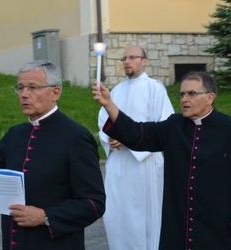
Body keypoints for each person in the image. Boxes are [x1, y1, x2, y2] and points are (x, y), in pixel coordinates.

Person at [0, 60, 106, 249]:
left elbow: (94, 203)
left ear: (55, 93)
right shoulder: (16, 135)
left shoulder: (76, 137)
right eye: (20, 88)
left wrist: (45, 216)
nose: (24, 94)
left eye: (32, 87)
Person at [92, 71, 231, 249]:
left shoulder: (227, 129)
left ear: (210, 97)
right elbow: (138, 133)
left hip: (215, 227)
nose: (184, 99)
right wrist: (108, 104)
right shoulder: (174, 126)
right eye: (182, 94)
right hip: (177, 225)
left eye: (192, 94)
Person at [98, 46, 174, 250]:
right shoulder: (116, 91)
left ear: (144, 61)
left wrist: (130, 139)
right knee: (116, 213)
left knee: (143, 216)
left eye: (132, 57)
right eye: (124, 58)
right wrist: (110, 138)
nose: (127, 61)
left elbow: (164, 124)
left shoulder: (155, 88)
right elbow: (103, 120)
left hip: (144, 164)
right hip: (120, 163)